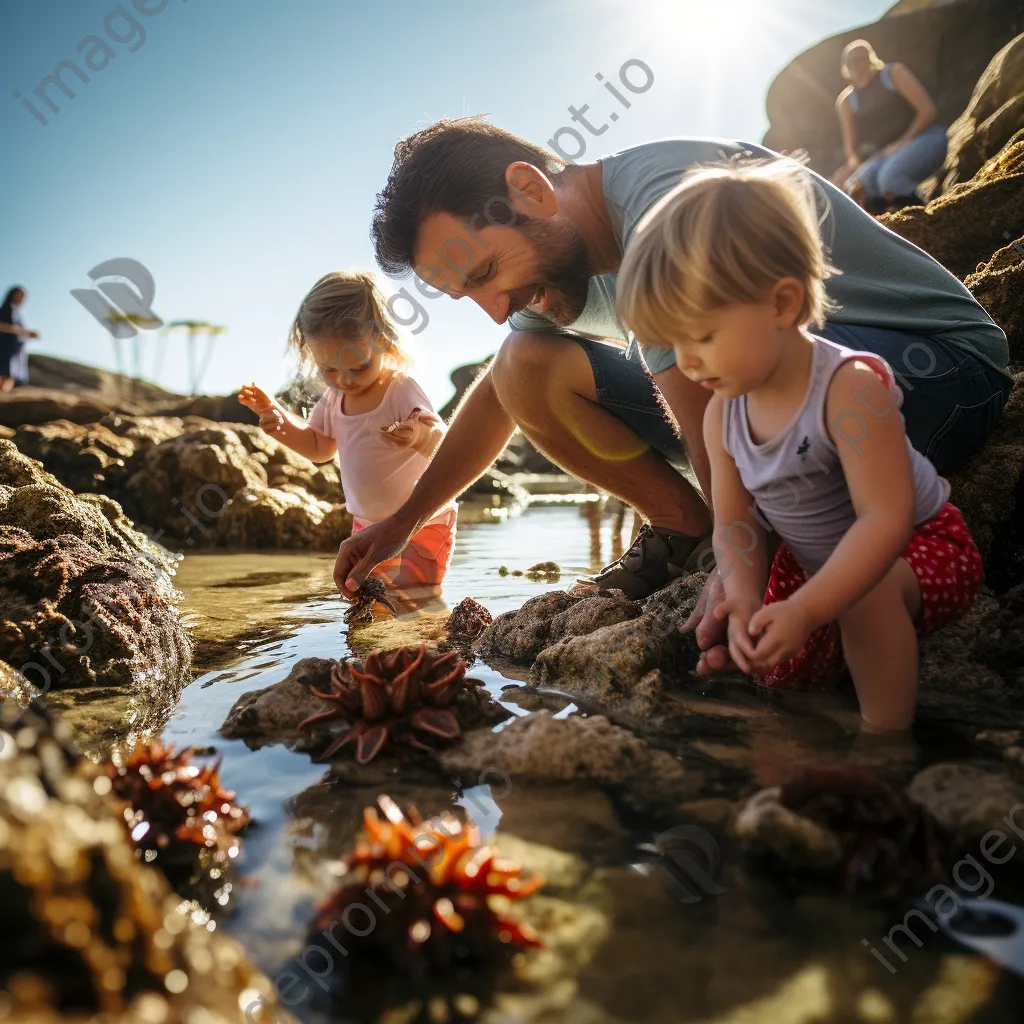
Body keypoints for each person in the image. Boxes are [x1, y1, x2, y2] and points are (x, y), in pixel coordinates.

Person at [333, 118, 1008, 673]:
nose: (495, 307)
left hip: (940, 369)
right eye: (468, 295)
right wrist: (405, 521)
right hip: (784, 390)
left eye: (485, 274)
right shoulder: (557, 266)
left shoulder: (663, 207)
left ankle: (744, 551)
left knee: (732, 390)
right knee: (521, 361)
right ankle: (687, 535)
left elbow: (714, 412)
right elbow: (498, 397)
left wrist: (742, 564)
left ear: (532, 191)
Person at [615, 158, 982, 729]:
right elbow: (736, 526)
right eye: (671, 342)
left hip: (916, 549)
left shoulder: (849, 388)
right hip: (809, 565)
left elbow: (885, 520)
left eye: (703, 336)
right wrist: (743, 596)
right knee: (778, 676)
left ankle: (887, 746)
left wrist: (810, 608)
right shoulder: (722, 414)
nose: (686, 362)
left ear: (783, 304)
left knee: (864, 600)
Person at [238, 270, 456, 601]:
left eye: (358, 367)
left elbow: (444, 444)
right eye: (329, 370)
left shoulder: (398, 390)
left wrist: (418, 436)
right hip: (364, 526)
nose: (344, 380)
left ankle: (431, 647)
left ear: (384, 340)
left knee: (416, 599)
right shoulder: (335, 398)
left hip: (424, 523)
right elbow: (319, 447)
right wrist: (277, 418)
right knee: (366, 602)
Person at [832, 40, 948, 213]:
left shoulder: (893, 73)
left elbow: (928, 110)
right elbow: (851, 149)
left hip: (925, 139)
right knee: (855, 187)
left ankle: (930, 218)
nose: (857, 64)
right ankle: (891, 230)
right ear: (845, 67)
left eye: (861, 57)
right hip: (884, 154)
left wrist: (903, 142)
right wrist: (852, 170)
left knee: (889, 178)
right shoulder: (847, 101)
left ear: (871, 58)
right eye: (851, 61)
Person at [0, 287, 40, 391]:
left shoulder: (17, 313)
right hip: (5, 349)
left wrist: (26, 334)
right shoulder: (6, 309)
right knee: (4, 375)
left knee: (10, 377)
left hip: (15, 352)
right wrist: (22, 332)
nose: (23, 298)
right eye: (21, 295)